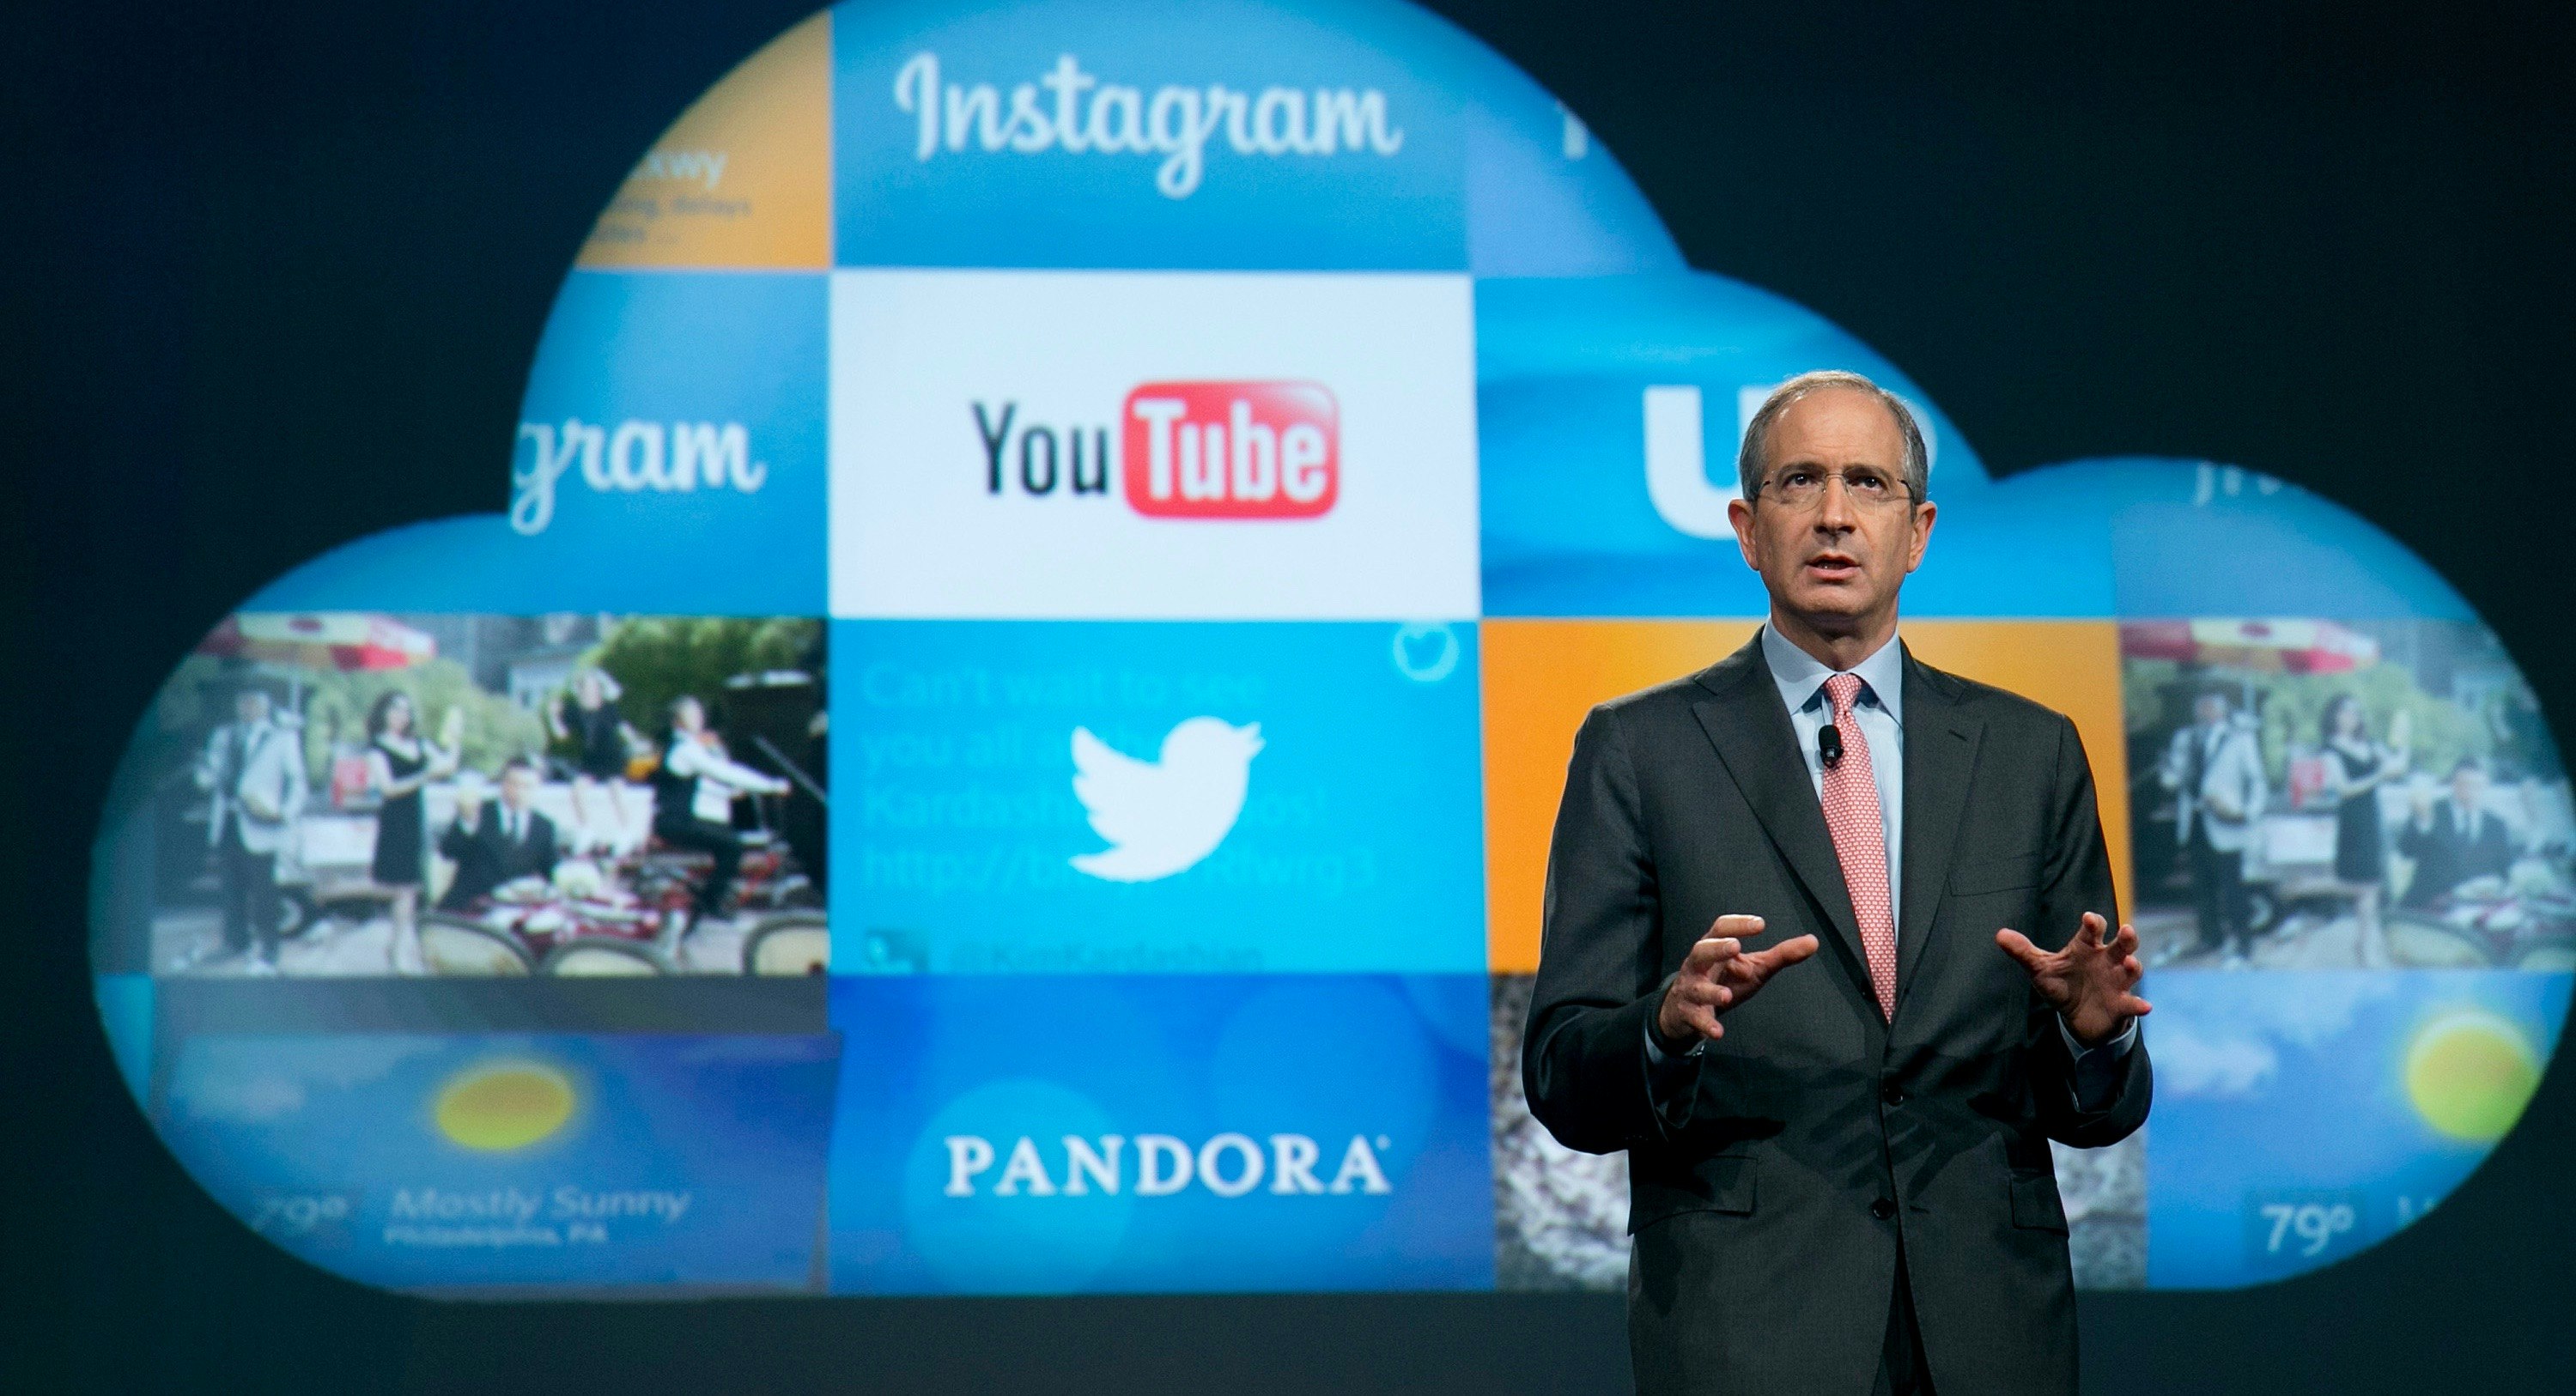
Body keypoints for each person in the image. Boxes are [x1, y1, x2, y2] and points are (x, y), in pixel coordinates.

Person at [1522, 371, 2150, 1396]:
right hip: (1748, 1331)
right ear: (1745, 526)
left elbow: (2096, 1110)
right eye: (1798, 482)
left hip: (1990, 1332)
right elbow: (1561, 1072)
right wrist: (1664, 1026)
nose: (1833, 515)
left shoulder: (2032, 753)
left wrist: (2093, 1035)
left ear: (1920, 530)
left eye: (1868, 485)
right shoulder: (1639, 750)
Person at [186, 683, 309, 974]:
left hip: (262, 824)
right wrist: (203, 773)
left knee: (264, 891)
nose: (247, 707)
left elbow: (298, 782)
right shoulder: (224, 735)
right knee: (230, 888)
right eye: (242, 701)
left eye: (254, 701)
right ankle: (235, 942)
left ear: (266, 704)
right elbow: (208, 779)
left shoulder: (282, 737)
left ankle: (268, 951)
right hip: (227, 821)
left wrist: (284, 813)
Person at [652, 695, 790, 938]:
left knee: (727, 839)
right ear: (678, 721)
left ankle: (704, 898)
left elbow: (705, 781)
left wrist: (730, 790)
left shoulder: (686, 748)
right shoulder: (686, 749)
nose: (699, 718)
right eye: (691, 714)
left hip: (678, 818)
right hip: (675, 822)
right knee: (731, 846)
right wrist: (771, 786)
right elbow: (723, 771)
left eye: (699, 712)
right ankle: (711, 902)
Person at [2158, 689, 2268, 965]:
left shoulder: (2239, 738)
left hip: (2227, 823)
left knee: (2233, 887)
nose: (2204, 711)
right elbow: (2172, 780)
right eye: (2200, 706)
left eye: (2210, 706)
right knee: (2202, 886)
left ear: (2222, 710)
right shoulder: (2185, 738)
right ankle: (2211, 938)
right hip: (2194, 822)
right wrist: (2168, 774)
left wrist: (2246, 812)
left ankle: (2243, 944)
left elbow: (2257, 781)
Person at [362, 691, 459, 974]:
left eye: (405, 710)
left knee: (412, 889)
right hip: (395, 821)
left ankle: (398, 947)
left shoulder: (418, 743)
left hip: (416, 819)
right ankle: (397, 948)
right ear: (383, 712)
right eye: (395, 709)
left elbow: (446, 767)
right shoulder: (376, 748)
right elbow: (389, 789)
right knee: (403, 888)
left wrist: (454, 740)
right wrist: (423, 777)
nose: (401, 715)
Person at [2317, 695, 2407, 967]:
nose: (2352, 717)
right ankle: (2362, 943)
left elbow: (2396, 767)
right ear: (2334, 716)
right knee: (2359, 882)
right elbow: (2344, 789)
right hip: (2352, 820)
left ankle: (2364, 943)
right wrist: (2378, 776)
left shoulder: (2370, 745)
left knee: (2372, 884)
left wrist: (2403, 744)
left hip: (2371, 818)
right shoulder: (2329, 750)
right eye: (2346, 712)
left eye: (2356, 713)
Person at [436, 758, 560, 912]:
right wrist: (467, 822)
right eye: (514, 784)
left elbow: (553, 874)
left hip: (516, 911)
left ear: (537, 788)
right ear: (503, 784)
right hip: (470, 906)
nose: (519, 791)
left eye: (527, 786)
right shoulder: (477, 812)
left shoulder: (543, 826)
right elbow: (448, 851)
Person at [2397, 757, 2516, 909]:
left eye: (2477, 786)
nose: (2471, 792)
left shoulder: (2496, 825)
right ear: (2453, 784)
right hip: (2427, 906)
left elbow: (2505, 873)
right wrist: (2423, 822)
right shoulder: (2429, 811)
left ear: (2486, 786)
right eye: (2465, 785)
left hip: (2477, 909)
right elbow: (2406, 851)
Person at [547, 668, 642, 853]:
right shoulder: (574, 711)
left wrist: (635, 742)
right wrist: (552, 716)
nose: (590, 691)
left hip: (611, 754)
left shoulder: (608, 708)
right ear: (580, 690)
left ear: (599, 689)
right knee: (577, 790)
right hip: (591, 758)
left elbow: (622, 728)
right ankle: (586, 829)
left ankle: (626, 830)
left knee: (616, 792)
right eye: (586, 688)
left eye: (593, 687)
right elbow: (561, 735)